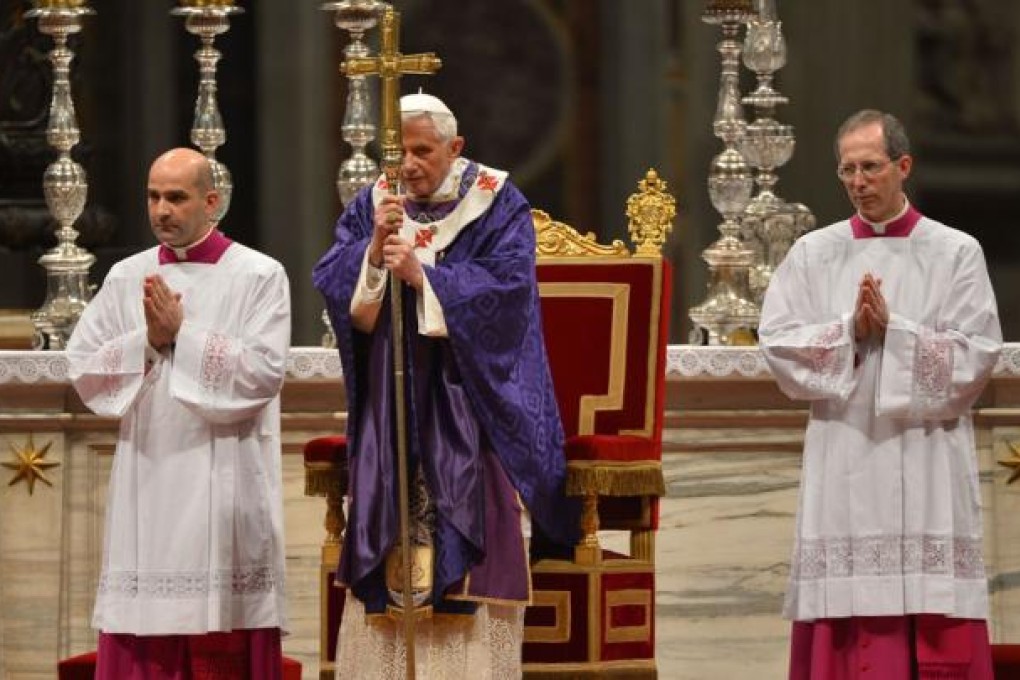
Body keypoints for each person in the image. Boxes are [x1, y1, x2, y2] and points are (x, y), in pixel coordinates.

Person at [313, 93, 578, 678]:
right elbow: (333, 279)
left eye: (422, 151)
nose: (407, 165)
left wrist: (425, 277)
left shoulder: (496, 202)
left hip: (472, 403)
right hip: (394, 407)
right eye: (399, 151)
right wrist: (373, 259)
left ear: (455, 148)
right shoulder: (374, 204)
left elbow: (510, 295)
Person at [759, 109, 1003, 679]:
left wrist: (896, 332)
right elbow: (778, 343)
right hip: (845, 449)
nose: (858, 182)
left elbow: (976, 353)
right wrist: (849, 332)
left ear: (903, 166)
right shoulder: (814, 253)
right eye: (847, 170)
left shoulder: (955, 251)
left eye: (870, 167)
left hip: (925, 454)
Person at [67, 147, 291, 679]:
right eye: (153, 196)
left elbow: (262, 373)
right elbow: (83, 367)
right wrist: (148, 341)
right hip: (149, 476)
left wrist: (182, 337)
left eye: (176, 197)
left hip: (226, 482)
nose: (161, 209)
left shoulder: (259, 275)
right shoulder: (128, 276)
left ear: (211, 201)